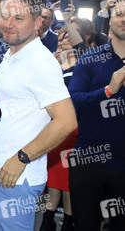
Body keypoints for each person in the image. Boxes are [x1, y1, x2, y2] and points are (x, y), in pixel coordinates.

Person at [0, 0, 77, 230]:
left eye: (19, 18)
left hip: (16, 179)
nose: (8, 24)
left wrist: (22, 158)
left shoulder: (39, 62)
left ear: (37, 23)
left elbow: (66, 121)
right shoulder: (11, 55)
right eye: (5, 16)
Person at [68, 0, 125, 231]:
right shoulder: (91, 58)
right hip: (88, 161)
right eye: (120, 14)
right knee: (84, 225)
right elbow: (74, 103)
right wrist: (108, 91)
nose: (124, 20)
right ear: (110, 19)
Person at [40, 29, 86, 231]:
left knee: (68, 180)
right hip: (51, 128)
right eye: (61, 37)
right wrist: (52, 62)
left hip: (74, 129)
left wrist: (69, 17)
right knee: (52, 178)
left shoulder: (84, 63)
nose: (64, 40)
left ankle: (68, 222)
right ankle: (47, 221)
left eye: (68, 37)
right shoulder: (51, 65)